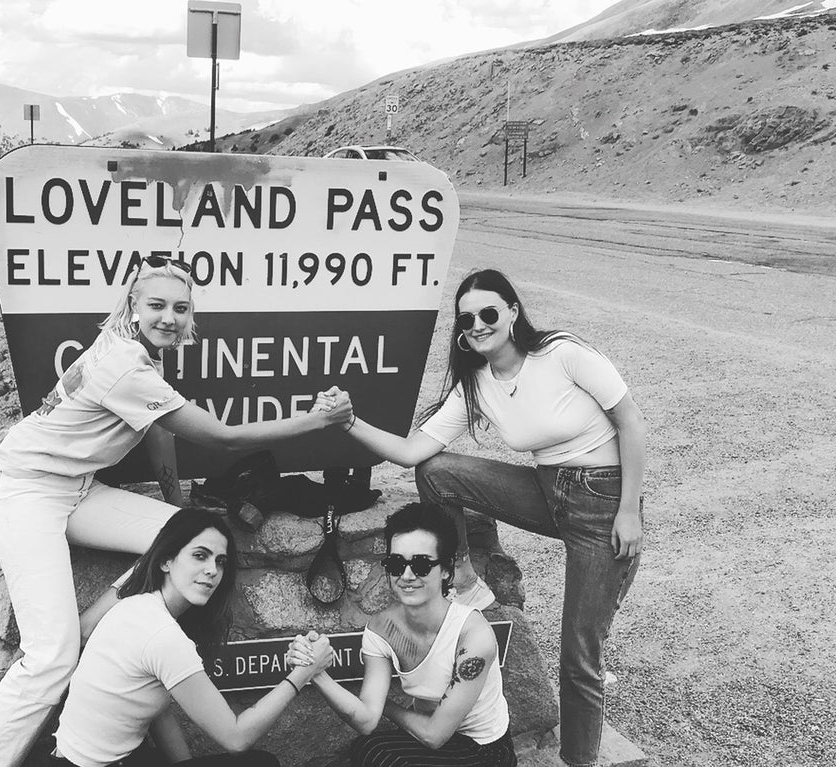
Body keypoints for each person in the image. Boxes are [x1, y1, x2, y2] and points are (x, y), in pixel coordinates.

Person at [0, 255, 352, 767]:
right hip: (26, 491)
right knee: (51, 658)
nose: (169, 317)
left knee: (183, 539)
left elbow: (160, 431)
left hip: (78, 489)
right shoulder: (123, 363)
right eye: (157, 305)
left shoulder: (143, 355)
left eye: (181, 308)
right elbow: (221, 437)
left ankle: (99, 618)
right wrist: (317, 421)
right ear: (132, 306)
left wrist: (176, 508)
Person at [325, 268, 645, 767]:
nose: (478, 325)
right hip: (546, 490)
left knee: (579, 656)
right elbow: (413, 453)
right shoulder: (476, 382)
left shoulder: (561, 353)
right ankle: (468, 578)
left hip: (602, 501)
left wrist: (628, 510)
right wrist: (349, 421)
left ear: (513, 313)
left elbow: (630, 421)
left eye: (489, 313)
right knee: (438, 470)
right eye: (466, 318)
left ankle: (577, 760)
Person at [50, 508, 333, 767]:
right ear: (166, 561)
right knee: (262, 764)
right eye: (200, 555)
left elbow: (157, 711)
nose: (212, 570)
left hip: (82, 757)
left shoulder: (137, 605)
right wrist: (304, 673)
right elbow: (236, 738)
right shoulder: (162, 635)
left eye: (220, 561)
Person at [287, 503, 516, 767]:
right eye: (396, 563)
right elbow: (367, 721)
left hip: (483, 750)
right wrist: (314, 672)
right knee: (368, 749)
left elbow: (434, 735)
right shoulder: (381, 628)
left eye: (420, 564)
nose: (406, 576)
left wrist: (385, 705)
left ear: (445, 569)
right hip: (432, 737)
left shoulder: (473, 636)